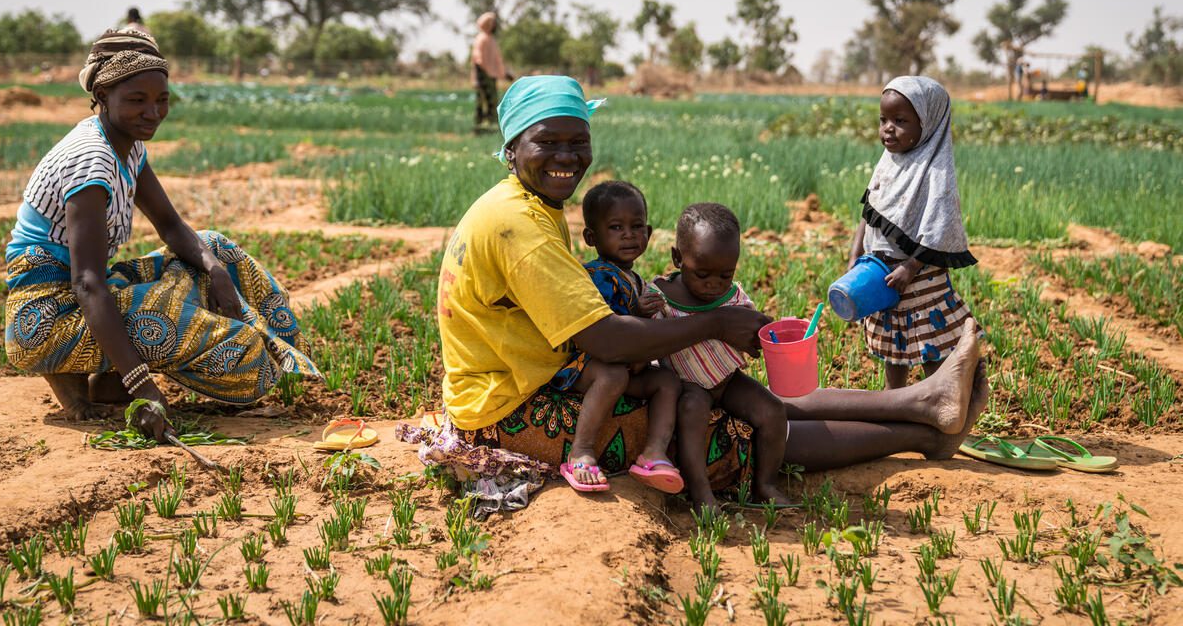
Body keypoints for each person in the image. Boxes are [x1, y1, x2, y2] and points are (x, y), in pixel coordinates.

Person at [403, 75, 988, 506]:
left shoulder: (527, 206)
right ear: (512, 148)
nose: (566, 157)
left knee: (745, 399)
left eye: (576, 141)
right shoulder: (520, 225)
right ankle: (920, 428)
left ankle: (920, 404)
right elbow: (606, 339)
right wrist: (710, 323)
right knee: (722, 429)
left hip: (537, 374)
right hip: (510, 408)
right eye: (547, 143)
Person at [4, 29, 319, 441]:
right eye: (137, 100)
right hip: (44, 318)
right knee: (231, 356)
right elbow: (86, 284)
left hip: (83, 295)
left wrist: (215, 270)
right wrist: (144, 388)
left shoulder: (127, 144)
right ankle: (74, 368)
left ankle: (107, 375)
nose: (152, 112)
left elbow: (170, 225)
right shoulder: (91, 163)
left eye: (161, 100)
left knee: (215, 248)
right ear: (102, 94)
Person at [651, 203, 790, 510]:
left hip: (727, 380)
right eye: (702, 274)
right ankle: (701, 492)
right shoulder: (661, 298)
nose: (713, 284)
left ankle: (765, 484)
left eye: (725, 275)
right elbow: (648, 341)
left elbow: (756, 329)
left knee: (773, 410)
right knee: (692, 411)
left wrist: (769, 334)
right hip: (688, 384)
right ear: (677, 258)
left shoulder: (733, 296)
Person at [550, 180, 683, 493]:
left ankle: (654, 452)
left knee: (667, 382)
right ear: (591, 237)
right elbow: (607, 335)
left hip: (627, 366)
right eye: (616, 227)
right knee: (612, 377)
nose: (628, 235)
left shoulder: (635, 278)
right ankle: (580, 451)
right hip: (587, 365)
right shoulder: (597, 276)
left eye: (637, 226)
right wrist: (638, 313)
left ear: (649, 234)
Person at [849, 76, 977, 390]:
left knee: (929, 343)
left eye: (900, 121)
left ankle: (938, 399)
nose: (887, 128)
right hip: (880, 273)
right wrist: (855, 254)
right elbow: (869, 212)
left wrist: (910, 266)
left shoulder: (935, 174)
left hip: (919, 279)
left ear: (928, 124)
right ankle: (896, 401)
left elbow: (939, 229)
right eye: (883, 120)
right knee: (893, 347)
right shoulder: (887, 163)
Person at [470, 12, 512, 133]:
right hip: (483, 76)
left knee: (492, 101)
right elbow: (478, 60)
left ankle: (491, 125)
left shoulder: (491, 39)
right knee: (483, 101)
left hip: (490, 75)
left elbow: (496, 60)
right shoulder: (481, 39)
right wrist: (479, 78)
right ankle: (481, 126)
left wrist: (504, 73)